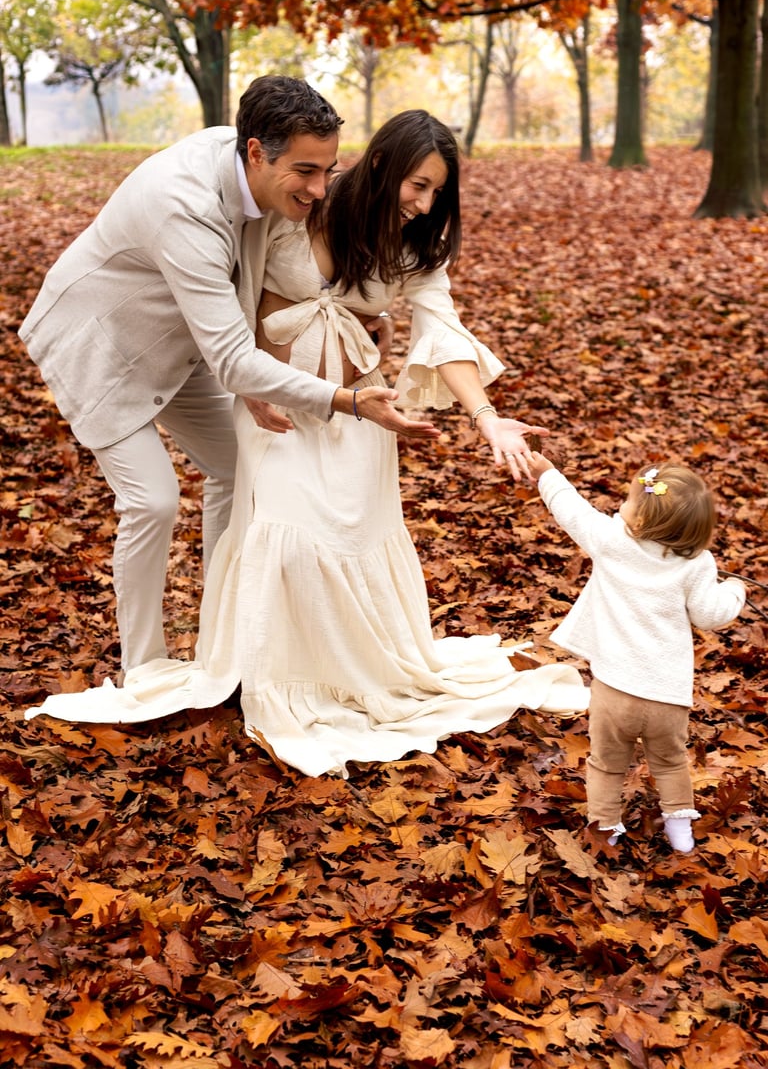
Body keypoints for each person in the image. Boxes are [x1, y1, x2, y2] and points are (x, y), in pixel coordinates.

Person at [26, 109, 590, 776]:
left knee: (298, 516)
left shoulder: (410, 246)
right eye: (417, 185)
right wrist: (263, 374)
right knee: (218, 514)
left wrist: (486, 415)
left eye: (438, 191)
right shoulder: (289, 208)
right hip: (259, 390)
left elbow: (444, 328)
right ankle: (211, 662)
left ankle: (261, 654)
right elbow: (243, 294)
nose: (425, 203)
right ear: (379, 166)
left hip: (355, 409)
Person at [18, 76, 437, 682]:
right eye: (306, 172)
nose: (321, 189)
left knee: (239, 469)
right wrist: (345, 401)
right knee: (155, 500)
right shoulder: (183, 207)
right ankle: (144, 664)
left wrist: (371, 317)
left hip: (186, 349)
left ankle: (225, 641)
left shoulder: (252, 164)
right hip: (102, 349)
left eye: (328, 169)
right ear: (256, 154)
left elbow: (257, 302)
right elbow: (236, 356)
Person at [527, 453, 746, 853]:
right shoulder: (697, 563)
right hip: (666, 696)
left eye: (627, 501)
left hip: (614, 689)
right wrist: (735, 591)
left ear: (641, 521)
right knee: (671, 762)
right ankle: (681, 833)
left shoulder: (611, 541)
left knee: (606, 764)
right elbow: (710, 614)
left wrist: (547, 473)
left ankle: (605, 828)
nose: (619, 507)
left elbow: (571, 509)